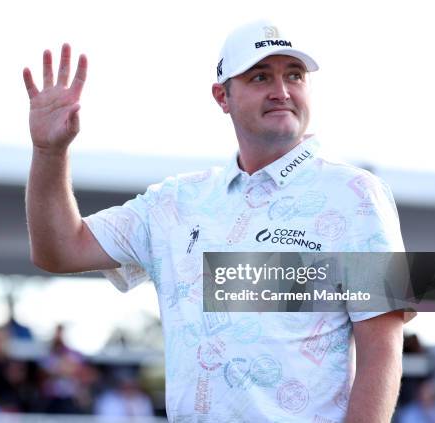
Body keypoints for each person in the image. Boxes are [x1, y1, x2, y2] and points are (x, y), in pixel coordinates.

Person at [23, 20, 414, 422]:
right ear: (221, 96)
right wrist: (49, 153)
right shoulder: (175, 201)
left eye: (293, 76)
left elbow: (382, 348)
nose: (281, 91)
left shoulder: (356, 193)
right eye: (260, 77)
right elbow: (59, 250)